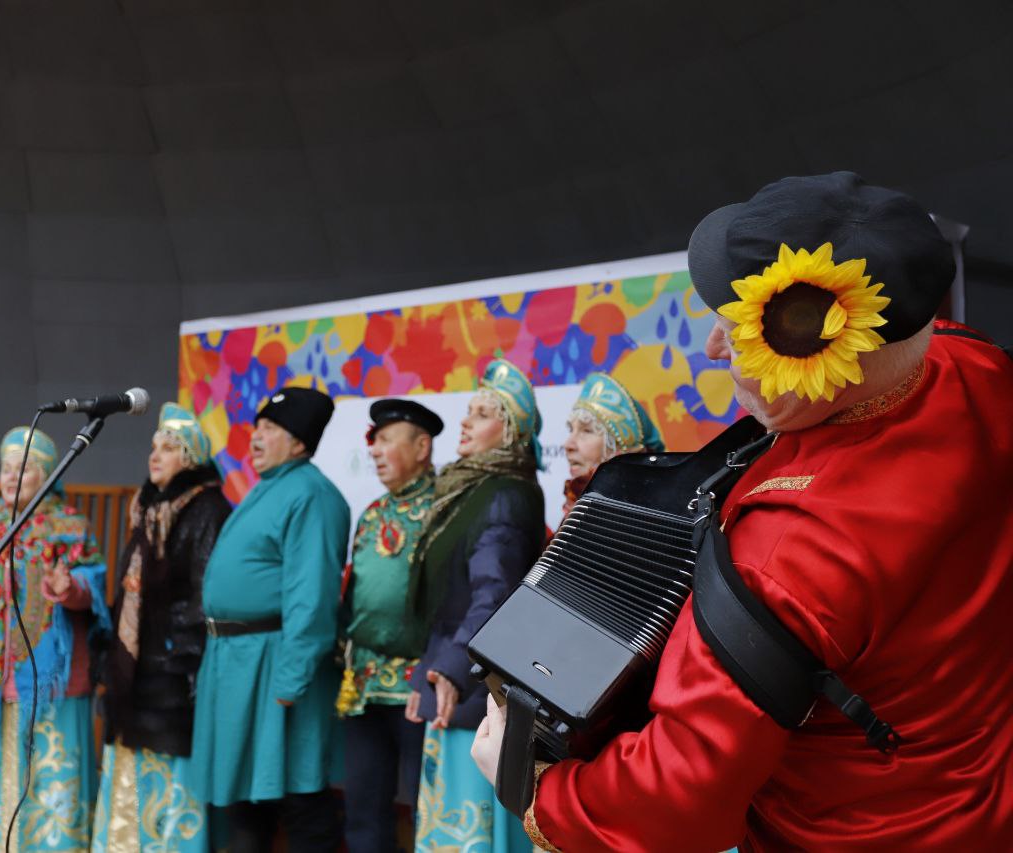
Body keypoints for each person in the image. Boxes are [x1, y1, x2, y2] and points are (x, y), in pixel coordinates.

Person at [472, 171, 1013, 850]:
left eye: (736, 330)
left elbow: (677, 800)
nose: (714, 348)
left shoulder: (790, 549)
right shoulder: (979, 369)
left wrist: (540, 791)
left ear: (809, 346)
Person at [188, 386, 350, 852]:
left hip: (276, 663)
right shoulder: (271, 487)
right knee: (249, 799)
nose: (255, 438)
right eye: (257, 427)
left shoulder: (312, 494)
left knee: (300, 795)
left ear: (298, 443)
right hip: (238, 661)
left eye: (270, 429)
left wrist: (290, 681)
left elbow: (313, 598)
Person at [0, 426, 110, 853]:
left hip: (51, 685)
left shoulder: (69, 526)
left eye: (25, 468)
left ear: (47, 473)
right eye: (6, 467)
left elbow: (93, 586)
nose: (12, 476)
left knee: (50, 787)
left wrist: (68, 587)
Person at [407, 358, 545, 852]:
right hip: (457, 678)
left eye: (483, 413)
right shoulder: (471, 488)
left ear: (510, 433)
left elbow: (494, 594)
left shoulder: (506, 494)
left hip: (470, 690)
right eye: (469, 410)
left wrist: (448, 668)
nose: (465, 421)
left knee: (466, 831)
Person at [91, 403, 231, 852]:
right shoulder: (148, 508)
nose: (155, 455)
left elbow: (205, 593)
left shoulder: (207, 508)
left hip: (172, 672)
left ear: (190, 457)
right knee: (129, 775)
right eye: (154, 446)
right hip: (137, 669)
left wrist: (175, 652)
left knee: (171, 782)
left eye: (169, 447)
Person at [337, 399, 443, 853]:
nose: (376, 451)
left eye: (385, 440)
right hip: (364, 683)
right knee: (363, 806)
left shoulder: (444, 508)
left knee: (429, 805)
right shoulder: (373, 512)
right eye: (373, 442)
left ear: (422, 446)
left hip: (422, 687)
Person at [560, 372, 664, 517]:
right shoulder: (578, 499)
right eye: (571, 429)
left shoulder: (630, 511)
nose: (568, 445)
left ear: (619, 449)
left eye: (587, 430)